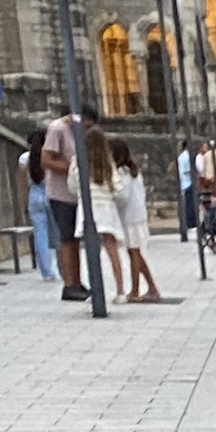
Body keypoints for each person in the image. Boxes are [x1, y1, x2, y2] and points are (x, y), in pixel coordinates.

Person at [38, 105, 87, 300]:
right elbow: (46, 159)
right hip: (60, 194)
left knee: (75, 239)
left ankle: (77, 280)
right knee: (67, 238)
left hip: (74, 194)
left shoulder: (76, 132)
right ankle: (69, 283)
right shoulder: (57, 129)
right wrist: (72, 170)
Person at [110, 139, 162, 303]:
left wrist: (110, 194)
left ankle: (135, 290)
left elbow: (122, 197)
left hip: (129, 217)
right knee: (136, 253)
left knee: (134, 253)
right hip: (137, 215)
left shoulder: (121, 172)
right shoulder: (133, 170)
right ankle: (152, 287)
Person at [87, 127, 128, 301]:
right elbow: (118, 189)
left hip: (89, 207)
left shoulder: (79, 161)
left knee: (91, 250)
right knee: (112, 250)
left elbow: (72, 185)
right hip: (107, 208)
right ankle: (120, 290)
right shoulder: (109, 163)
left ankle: (95, 289)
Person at [22, 127, 57, 283]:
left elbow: (22, 182)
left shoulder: (24, 158)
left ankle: (46, 272)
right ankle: (64, 270)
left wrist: (23, 200)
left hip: (34, 195)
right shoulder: (50, 157)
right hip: (51, 194)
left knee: (40, 235)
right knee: (58, 236)